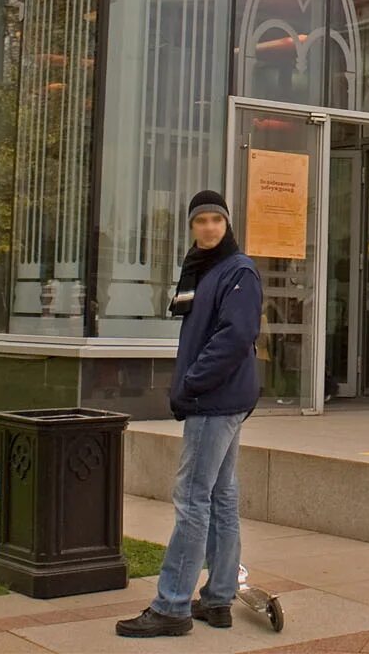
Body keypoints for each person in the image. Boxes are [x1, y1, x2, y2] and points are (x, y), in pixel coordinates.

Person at [116, 191, 264, 639]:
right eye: (200, 221)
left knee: (193, 500)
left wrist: (191, 384)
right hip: (220, 399)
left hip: (214, 401)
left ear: (227, 224)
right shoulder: (206, 269)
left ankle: (172, 605)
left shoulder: (238, 270)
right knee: (220, 497)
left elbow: (235, 336)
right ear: (192, 226)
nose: (208, 228)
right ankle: (217, 600)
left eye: (215, 220)